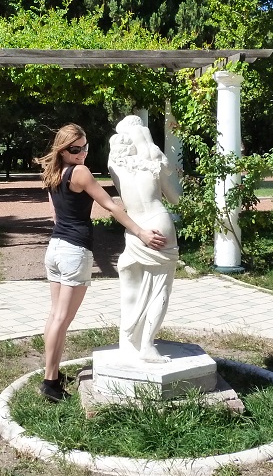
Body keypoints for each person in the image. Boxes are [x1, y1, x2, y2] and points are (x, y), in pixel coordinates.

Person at [34, 123, 167, 402]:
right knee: (61, 318)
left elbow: (55, 217)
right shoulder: (80, 172)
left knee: (54, 316)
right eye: (75, 149)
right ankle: (49, 383)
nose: (82, 153)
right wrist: (141, 232)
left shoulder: (53, 173)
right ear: (64, 149)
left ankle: (52, 374)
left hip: (55, 249)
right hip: (73, 252)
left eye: (85, 147)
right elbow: (109, 205)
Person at [108, 116, 181, 364]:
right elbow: (175, 200)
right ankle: (147, 344)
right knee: (160, 287)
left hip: (136, 228)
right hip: (159, 224)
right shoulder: (153, 165)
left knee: (131, 284)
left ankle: (129, 340)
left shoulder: (114, 165)